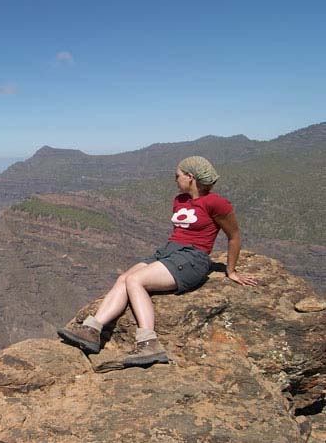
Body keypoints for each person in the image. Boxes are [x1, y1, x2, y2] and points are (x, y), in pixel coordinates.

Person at [57, 156, 257, 367]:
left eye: (177, 176)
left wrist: (231, 270)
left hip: (193, 257)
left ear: (190, 177)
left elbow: (234, 235)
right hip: (168, 252)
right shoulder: (179, 200)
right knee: (124, 278)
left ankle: (148, 343)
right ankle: (92, 330)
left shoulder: (216, 203)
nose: (175, 180)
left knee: (136, 281)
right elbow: (180, 232)